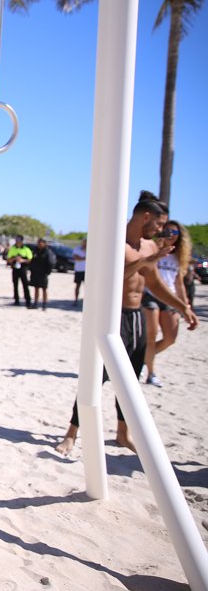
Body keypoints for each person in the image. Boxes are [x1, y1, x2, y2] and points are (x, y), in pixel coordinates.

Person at [55, 192, 198, 456]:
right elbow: (106, 279)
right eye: (158, 223)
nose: (160, 230)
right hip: (110, 316)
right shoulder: (114, 242)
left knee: (131, 378)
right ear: (145, 216)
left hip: (137, 316)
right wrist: (143, 263)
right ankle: (71, 434)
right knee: (95, 378)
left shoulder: (149, 247)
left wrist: (183, 307)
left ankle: (123, 434)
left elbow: (154, 284)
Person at [141, 220, 192, 387]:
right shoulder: (153, 249)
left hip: (169, 297)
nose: (170, 235)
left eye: (174, 233)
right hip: (150, 295)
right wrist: (158, 248)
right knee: (151, 336)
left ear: (180, 237)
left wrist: (185, 307)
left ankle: (141, 358)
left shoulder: (178, 258)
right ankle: (150, 372)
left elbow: (179, 284)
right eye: (167, 231)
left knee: (170, 338)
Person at [28, 238, 56, 310]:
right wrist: (31, 269)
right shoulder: (35, 251)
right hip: (35, 272)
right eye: (38, 243)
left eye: (40, 243)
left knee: (44, 289)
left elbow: (51, 263)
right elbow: (32, 261)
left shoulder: (48, 252)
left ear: (44, 244)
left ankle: (44, 304)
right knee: (36, 288)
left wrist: (48, 272)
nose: (39, 244)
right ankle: (35, 303)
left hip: (43, 273)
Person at [5, 235, 33, 307]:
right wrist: (14, 259)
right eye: (17, 241)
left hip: (23, 269)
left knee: (25, 284)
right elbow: (8, 259)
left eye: (19, 241)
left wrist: (23, 260)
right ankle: (16, 300)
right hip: (15, 268)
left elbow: (30, 259)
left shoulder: (26, 249)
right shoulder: (13, 249)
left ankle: (28, 300)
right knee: (15, 284)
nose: (18, 242)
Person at [72, 237, 87, 305]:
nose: (85, 243)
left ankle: (86, 301)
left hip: (86, 271)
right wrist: (84, 258)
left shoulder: (90, 248)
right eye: (84, 241)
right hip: (78, 270)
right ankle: (76, 300)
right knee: (77, 286)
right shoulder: (77, 248)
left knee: (87, 287)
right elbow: (76, 257)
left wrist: (81, 258)